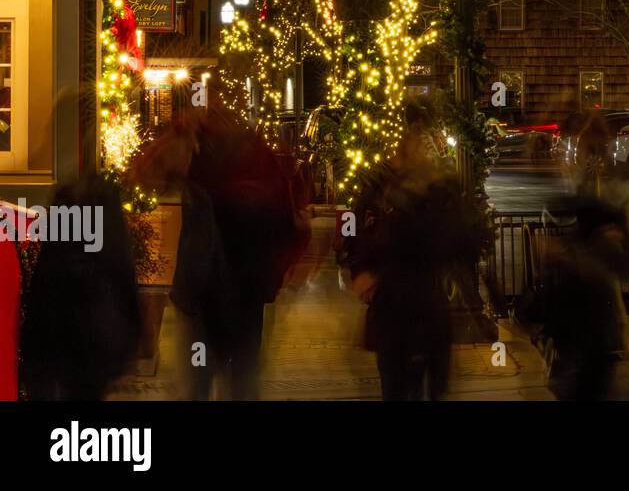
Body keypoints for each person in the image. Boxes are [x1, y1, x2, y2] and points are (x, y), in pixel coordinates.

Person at [132, 105, 308, 400]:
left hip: (209, 301)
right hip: (237, 300)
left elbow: (145, 173)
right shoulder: (247, 157)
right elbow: (289, 223)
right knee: (237, 386)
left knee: (203, 386)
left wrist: (180, 136)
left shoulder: (203, 162)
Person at [338, 103, 482, 400]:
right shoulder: (387, 187)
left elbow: (459, 241)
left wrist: (364, 268)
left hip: (415, 308)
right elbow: (354, 227)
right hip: (406, 310)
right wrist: (358, 265)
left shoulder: (433, 191)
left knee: (407, 385)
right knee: (403, 385)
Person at [19, 176, 141, 400]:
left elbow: (40, 293)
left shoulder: (56, 255)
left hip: (57, 344)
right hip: (97, 342)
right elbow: (124, 279)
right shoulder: (108, 236)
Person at [520, 196, 629, 401]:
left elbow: (532, 311)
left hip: (579, 355)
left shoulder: (572, 258)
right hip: (587, 355)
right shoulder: (591, 263)